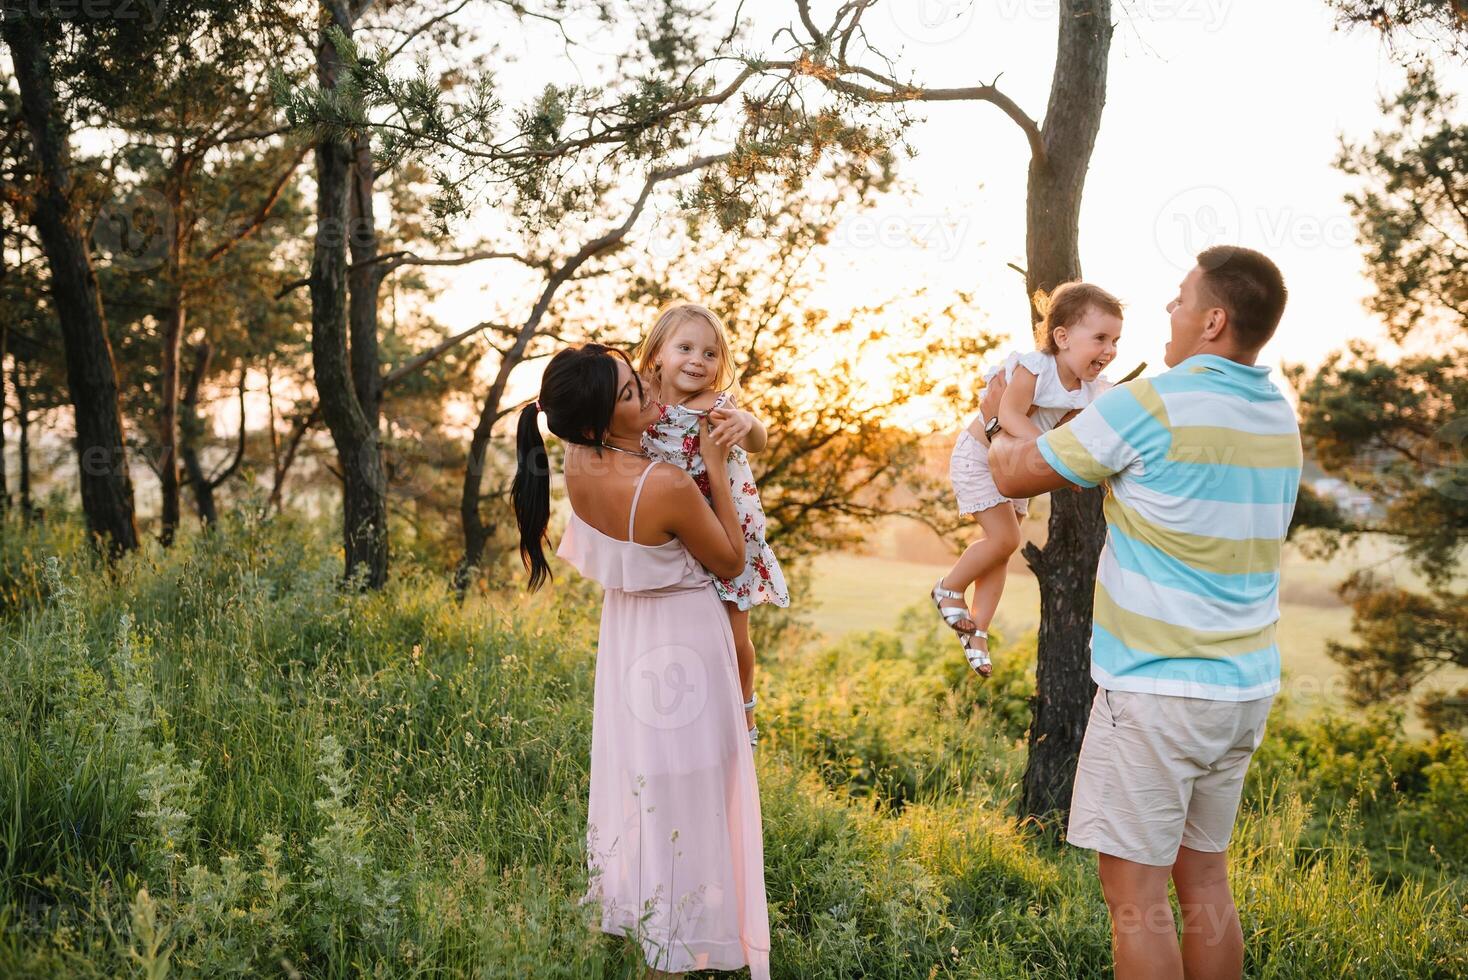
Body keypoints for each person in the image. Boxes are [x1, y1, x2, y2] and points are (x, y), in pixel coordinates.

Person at [987, 246, 1299, 980]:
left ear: (1214, 320)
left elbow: (1017, 470)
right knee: (1206, 884)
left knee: (1134, 900)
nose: (1170, 310)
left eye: (1182, 297)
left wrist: (1002, 414)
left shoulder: (1152, 402)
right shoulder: (1278, 415)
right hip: (1242, 691)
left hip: (1159, 694)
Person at [512, 343, 772, 980]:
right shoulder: (667, 484)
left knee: (650, 784)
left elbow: (623, 408)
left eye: (637, 376)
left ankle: (657, 920)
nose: (649, 394)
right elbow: (733, 562)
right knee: (698, 790)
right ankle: (678, 952)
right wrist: (713, 462)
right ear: (601, 423)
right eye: (631, 393)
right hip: (684, 641)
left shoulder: (576, 455)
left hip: (628, 635)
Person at [932, 282, 1123, 676]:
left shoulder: (1090, 390)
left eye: (1116, 341)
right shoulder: (1035, 367)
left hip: (1016, 467)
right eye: (1100, 337)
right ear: (1063, 337)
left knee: (1001, 549)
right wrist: (1050, 448)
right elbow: (1012, 415)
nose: (1109, 350)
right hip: (980, 458)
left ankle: (978, 628)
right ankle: (948, 588)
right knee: (1006, 540)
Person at [635, 303, 790, 746]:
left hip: (726, 523)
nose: (697, 362)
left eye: (709, 354)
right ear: (658, 354)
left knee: (733, 626)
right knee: (688, 621)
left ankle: (745, 711)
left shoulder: (716, 405)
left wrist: (749, 423)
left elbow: (759, 442)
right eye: (685, 348)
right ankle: (686, 706)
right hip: (676, 524)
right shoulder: (642, 396)